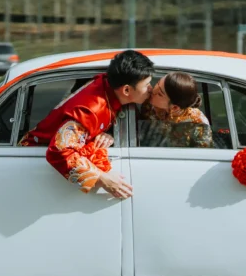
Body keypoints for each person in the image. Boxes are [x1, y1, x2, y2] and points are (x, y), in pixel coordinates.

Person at [20, 50, 154, 199]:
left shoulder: (107, 85)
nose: (151, 89)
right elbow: (59, 151)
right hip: (32, 159)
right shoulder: (90, 111)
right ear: (127, 90)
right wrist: (103, 179)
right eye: (147, 84)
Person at [138, 72, 213, 148]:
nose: (153, 90)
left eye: (160, 94)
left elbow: (203, 156)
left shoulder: (198, 124)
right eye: (157, 83)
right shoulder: (149, 105)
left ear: (175, 107)